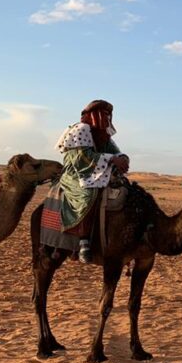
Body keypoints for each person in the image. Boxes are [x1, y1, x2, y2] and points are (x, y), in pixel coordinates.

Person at [55, 99, 129, 263]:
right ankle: (83, 240)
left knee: (126, 189)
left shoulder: (103, 134)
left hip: (97, 172)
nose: (107, 117)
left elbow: (115, 152)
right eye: (104, 114)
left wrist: (123, 158)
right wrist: (112, 159)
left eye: (109, 114)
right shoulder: (80, 130)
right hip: (76, 174)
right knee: (89, 194)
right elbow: (82, 158)